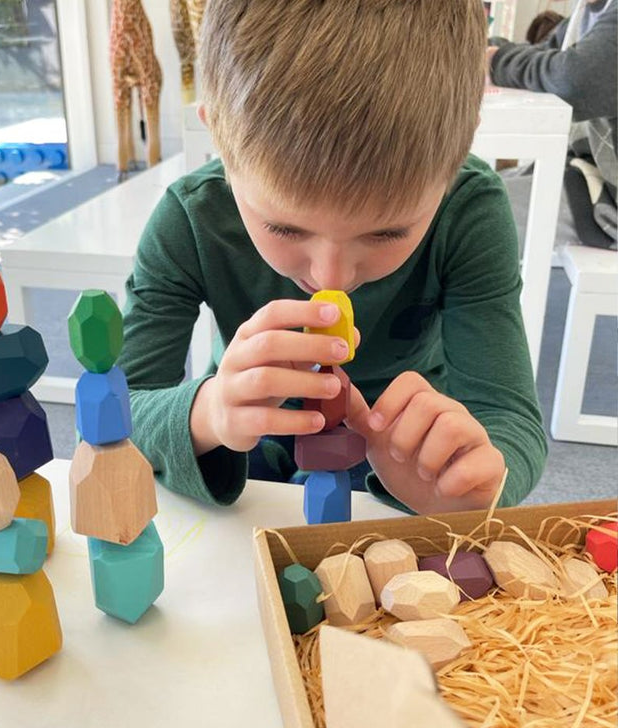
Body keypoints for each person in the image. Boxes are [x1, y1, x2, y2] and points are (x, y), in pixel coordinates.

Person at [117, 0, 547, 516]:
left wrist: (473, 478)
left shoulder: (469, 210)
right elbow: (118, 408)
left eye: (388, 232)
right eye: (283, 227)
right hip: (244, 452)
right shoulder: (190, 218)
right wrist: (207, 413)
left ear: (460, 151)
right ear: (219, 141)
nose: (332, 278)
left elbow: (510, 418)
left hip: (409, 460)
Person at [487, 0, 617, 249]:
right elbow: (544, 51)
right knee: (471, 192)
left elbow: (575, 80)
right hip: (590, 177)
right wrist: (490, 50)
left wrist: (497, 59)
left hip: (607, 198)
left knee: (461, 215)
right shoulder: (589, 13)